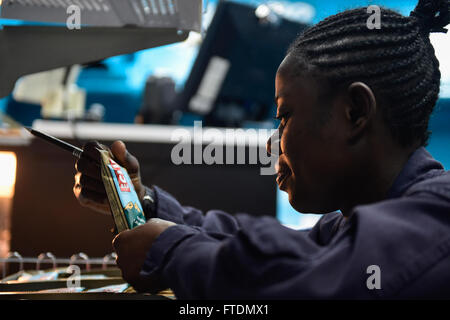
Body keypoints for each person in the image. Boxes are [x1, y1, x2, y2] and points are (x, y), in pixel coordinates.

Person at [73, 0, 450, 299]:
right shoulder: (353, 223)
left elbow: (307, 284)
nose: (274, 143)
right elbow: (261, 249)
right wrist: (144, 204)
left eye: (284, 117)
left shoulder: (439, 218)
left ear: (355, 113)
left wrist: (170, 252)